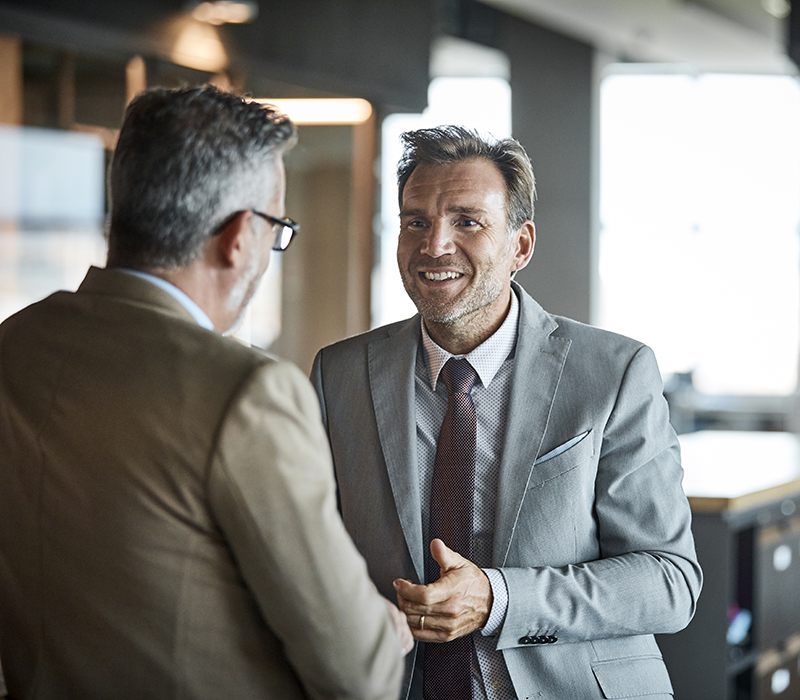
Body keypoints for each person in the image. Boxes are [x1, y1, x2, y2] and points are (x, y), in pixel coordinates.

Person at [0, 85, 410, 700]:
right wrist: (387, 628)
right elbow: (361, 674)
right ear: (241, 235)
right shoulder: (248, 394)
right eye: (278, 228)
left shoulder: (15, 343)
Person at [311, 125, 702, 699]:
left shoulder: (615, 372)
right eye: (416, 221)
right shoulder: (338, 374)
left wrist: (498, 599)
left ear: (521, 245)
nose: (434, 244)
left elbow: (669, 583)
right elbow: (313, 551)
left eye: (467, 221)